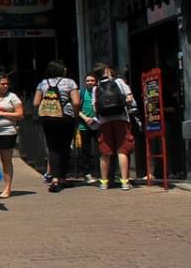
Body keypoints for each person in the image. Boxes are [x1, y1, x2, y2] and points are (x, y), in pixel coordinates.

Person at [33, 60, 81, 192]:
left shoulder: (43, 83)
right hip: (66, 117)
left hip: (48, 118)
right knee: (64, 147)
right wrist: (75, 115)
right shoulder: (70, 82)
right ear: (62, 70)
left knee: (52, 148)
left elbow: (36, 102)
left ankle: (54, 179)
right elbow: (76, 102)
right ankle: (62, 177)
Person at [90, 63, 138, 191]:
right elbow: (130, 99)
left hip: (104, 122)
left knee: (105, 152)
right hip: (121, 120)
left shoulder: (96, 88)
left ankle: (104, 182)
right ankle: (124, 182)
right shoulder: (119, 82)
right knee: (122, 150)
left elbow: (95, 108)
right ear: (107, 71)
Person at [0, 72, 24, 199]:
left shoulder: (12, 97)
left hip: (7, 133)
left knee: (6, 161)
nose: (5, 86)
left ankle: (7, 188)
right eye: (2, 84)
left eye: (7, 84)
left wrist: (4, 114)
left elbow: (20, 114)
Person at [76, 73, 99, 184]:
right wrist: (85, 119)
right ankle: (87, 173)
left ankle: (103, 172)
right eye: (88, 81)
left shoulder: (99, 92)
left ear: (96, 81)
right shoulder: (82, 92)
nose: (90, 82)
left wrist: (95, 118)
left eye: (92, 80)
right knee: (86, 150)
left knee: (102, 148)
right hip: (84, 125)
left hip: (98, 123)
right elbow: (76, 109)